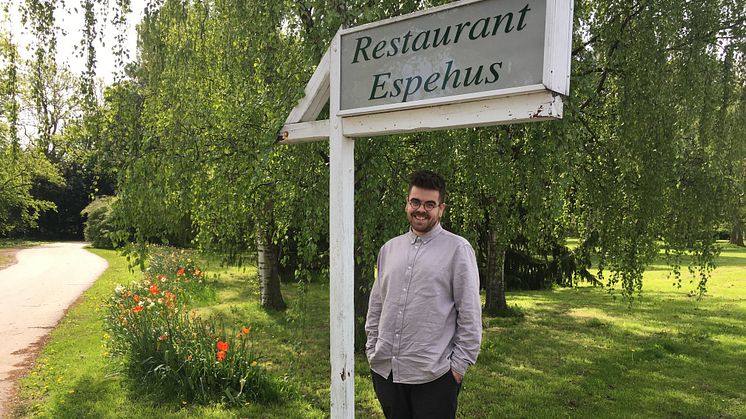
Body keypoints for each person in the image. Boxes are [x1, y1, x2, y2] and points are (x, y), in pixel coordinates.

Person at [365, 170, 482, 419]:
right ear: (407, 203)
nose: (421, 209)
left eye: (430, 204)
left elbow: (470, 314)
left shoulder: (458, 250)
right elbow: (376, 306)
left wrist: (458, 369)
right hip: (388, 373)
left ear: (441, 209)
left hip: (435, 377)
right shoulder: (389, 249)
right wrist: (371, 350)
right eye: (415, 202)